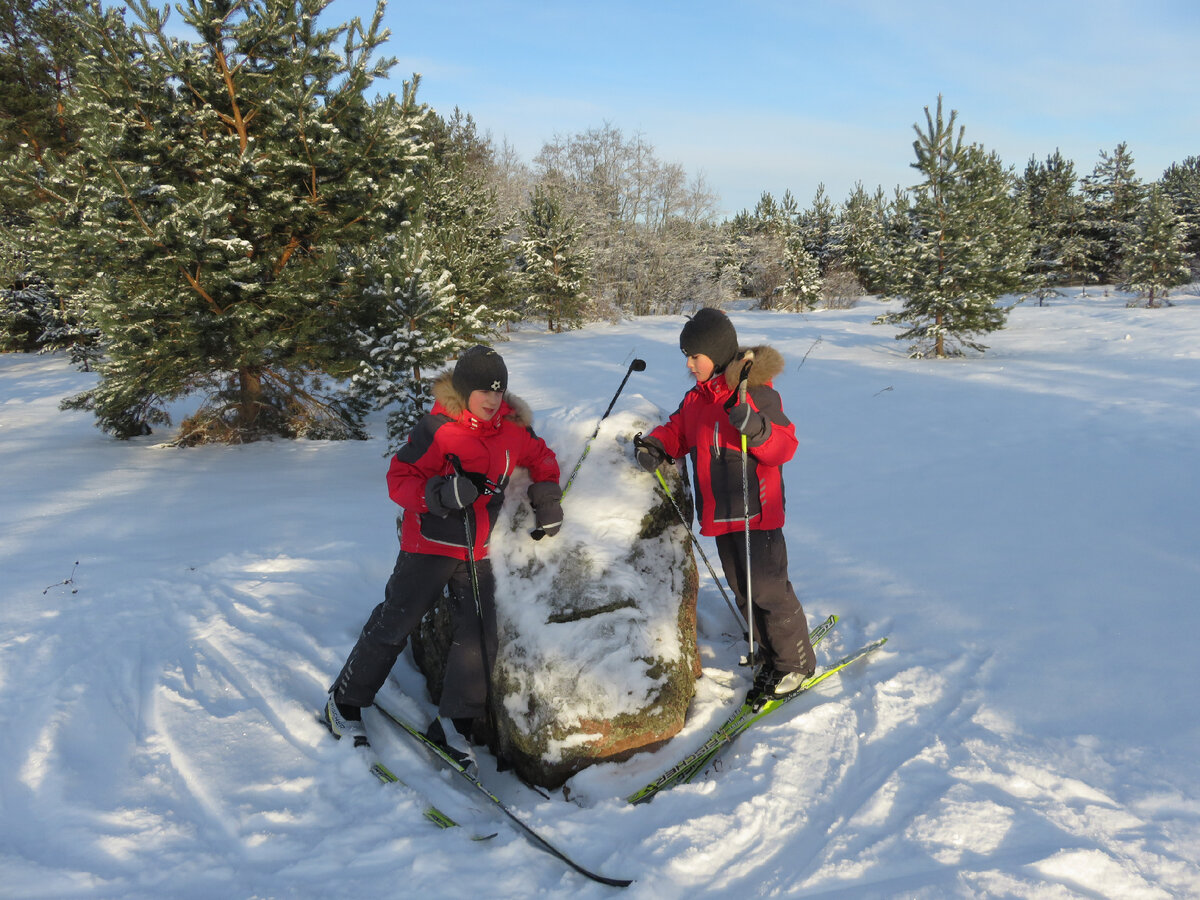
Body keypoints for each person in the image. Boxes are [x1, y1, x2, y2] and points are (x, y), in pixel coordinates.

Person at [323, 345, 562, 757]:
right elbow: (399, 479)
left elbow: (542, 460)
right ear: (464, 390)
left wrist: (548, 497)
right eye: (484, 392)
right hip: (429, 545)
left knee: (480, 636)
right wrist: (440, 492)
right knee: (396, 623)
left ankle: (455, 725)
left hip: (476, 551)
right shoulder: (437, 429)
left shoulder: (513, 430)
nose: (492, 399)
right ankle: (344, 701)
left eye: (498, 391)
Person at [635, 308, 815, 695]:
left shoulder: (756, 393)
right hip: (722, 515)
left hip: (758, 514)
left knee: (768, 589)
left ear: (715, 353)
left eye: (694, 355)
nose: (688, 363)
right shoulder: (697, 399)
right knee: (743, 589)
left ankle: (796, 662)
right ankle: (769, 654)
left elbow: (784, 446)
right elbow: (678, 431)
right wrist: (657, 444)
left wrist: (757, 426)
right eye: (686, 354)